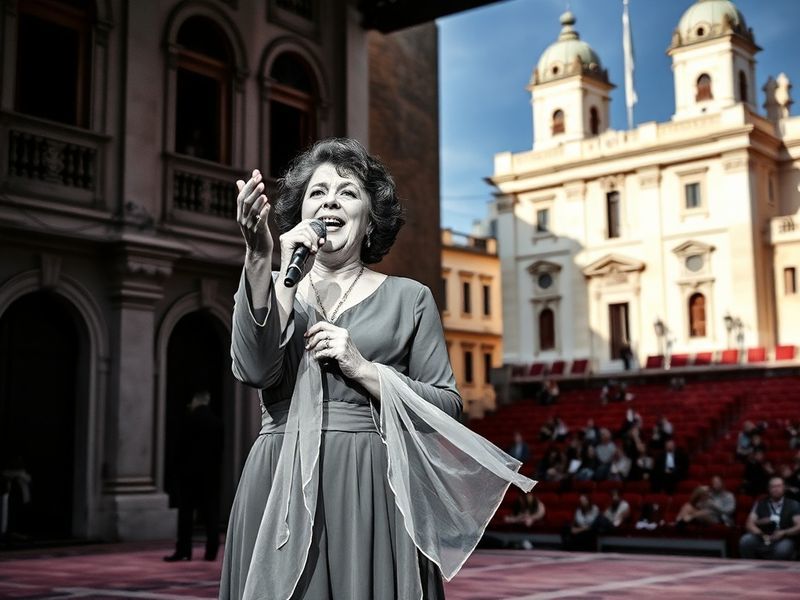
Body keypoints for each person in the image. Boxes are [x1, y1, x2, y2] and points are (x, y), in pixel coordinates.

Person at [219, 139, 533, 599]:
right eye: (317, 192)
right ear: (300, 213)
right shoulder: (268, 283)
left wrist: (362, 368)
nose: (330, 200)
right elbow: (252, 370)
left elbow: (447, 407)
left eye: (347, 192)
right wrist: (262, 259)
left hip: (370, 485)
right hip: (276, 483)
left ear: (370, 220)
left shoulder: (411, 298)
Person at [164, 390, 223, 562]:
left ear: (196, 401)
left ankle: (184, 550)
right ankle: (211, 551)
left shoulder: (187, 420)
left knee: (186, 515)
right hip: (210, 476)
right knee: (211, 514)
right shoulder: (217, 423)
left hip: (189, 476)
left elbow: (179, 449)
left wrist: (176, 471)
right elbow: (219, 453)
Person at [739, 477, 800, 560]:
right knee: (746, 540)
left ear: (784, 488)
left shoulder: (793, 504)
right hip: (763, 537)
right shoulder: (761, 503)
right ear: (768, 489)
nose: (776, 489)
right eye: (773, 487)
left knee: (782, 549)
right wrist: (761, 534)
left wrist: (784, 532)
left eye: (778, 486)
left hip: (784, 538)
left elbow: (798, 526)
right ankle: (751, 568)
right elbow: (749, 524)